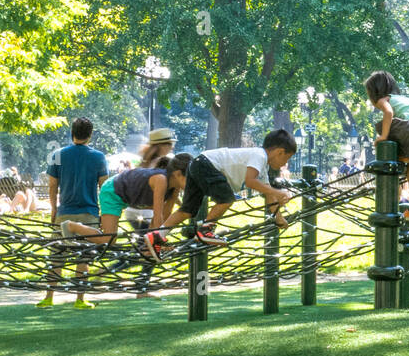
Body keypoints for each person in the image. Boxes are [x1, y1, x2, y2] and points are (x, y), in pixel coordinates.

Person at [64, 154, 191, 298]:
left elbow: (165, 220)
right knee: (108, 240)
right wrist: (156, 241)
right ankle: (72, 226)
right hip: (112, 191)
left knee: (145, 248)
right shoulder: (161, 180)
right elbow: (158, 216)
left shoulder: (174, 189)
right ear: (178, 174)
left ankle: (140, 287)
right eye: (190, 179)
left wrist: (158, 240)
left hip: (128, 198)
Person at [150, 130, 296, 250]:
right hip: (207, 165)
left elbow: (268, 194)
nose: (285, 163)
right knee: (226, 199)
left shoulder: (263, 166)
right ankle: (205, 230)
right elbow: (250, 181)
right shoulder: (259, 155)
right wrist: (279, 192)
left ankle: (156, 236)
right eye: (287, 158)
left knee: (188, 210)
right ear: (279, 152)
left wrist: (279, 219)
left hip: (198, 164)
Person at [38, 118, 110, 309]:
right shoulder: (99, 157)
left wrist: (54, 209)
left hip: (64, 213)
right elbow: (104, 188)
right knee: (84, 257)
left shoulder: (58, 155)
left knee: (57, 255)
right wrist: (104, 213)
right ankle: (80, 299)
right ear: (91, 134)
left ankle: (49, 297)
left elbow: (52, 186)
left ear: (72, 133)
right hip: (89, 213)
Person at [365, 71, 409, 220]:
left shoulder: (383, 100)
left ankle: (401, 156)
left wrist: (383, 136)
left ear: (374, 92)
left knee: (383, 126)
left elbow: (389, 113)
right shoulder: (401, 98)